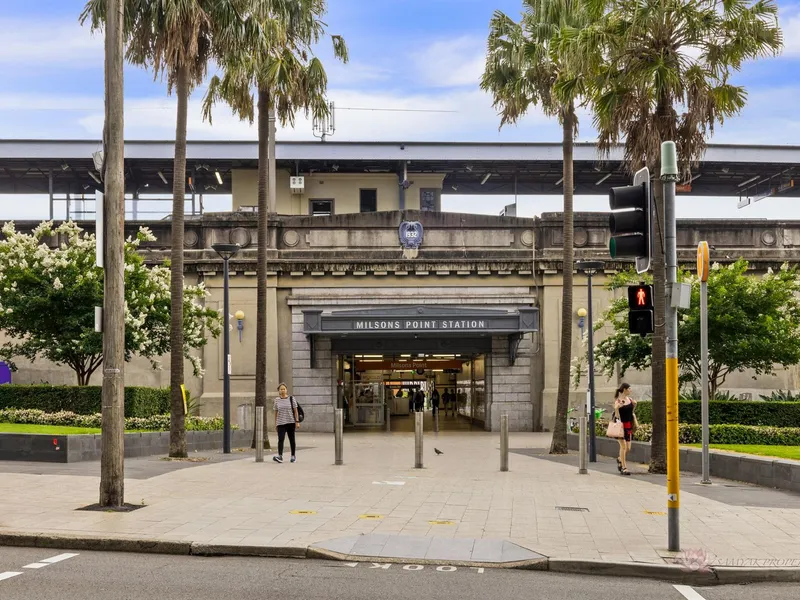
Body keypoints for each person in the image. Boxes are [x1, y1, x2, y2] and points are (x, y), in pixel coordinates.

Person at [273, 382, 300, 464]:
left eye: (284, 389)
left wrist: (297, 421)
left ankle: (293, 456)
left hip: (290, 422)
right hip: (281, 423)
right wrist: (276, 423)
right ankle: (280, 456)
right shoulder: (277, 400)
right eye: (281, 389)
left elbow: (295, 411)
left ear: (286, 390)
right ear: (279, 390)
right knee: (280, 439)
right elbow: (276, 412)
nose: (283, 390)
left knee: (292, 439)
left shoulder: (291, 399)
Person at [614, 383, 637, 476]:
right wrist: (617, 408)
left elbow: (631, 413)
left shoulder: (630, 400)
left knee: (628, 448)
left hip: (628, 426)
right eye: (629, 388)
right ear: (624, 389)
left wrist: (634, 405)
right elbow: (616, 417)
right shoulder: (618, 401)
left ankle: (620, 459)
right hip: (620, 426)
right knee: (623, 447)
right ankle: (624, 468)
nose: (631, 390)